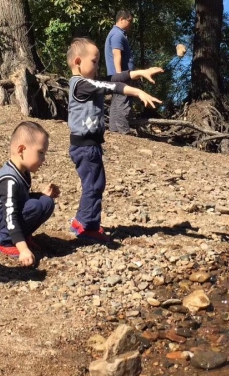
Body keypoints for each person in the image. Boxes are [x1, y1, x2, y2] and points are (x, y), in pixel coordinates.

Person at [67, 37, 162, 241]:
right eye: (94, 61)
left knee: (94, 183)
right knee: (94, 185)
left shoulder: (87, 83)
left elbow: (113, 78)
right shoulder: (80, 85)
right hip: (85, 147)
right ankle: (88, 227)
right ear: (77, 62)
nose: (97, 66)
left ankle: (82, 221)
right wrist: (136, 91)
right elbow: (112, 86)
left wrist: (139, 73)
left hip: (89, 145)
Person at [0, 121, 60, 267]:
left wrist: (42, 195)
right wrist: (23, 249)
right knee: (34, 206)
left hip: (5, 213)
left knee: (46, 202)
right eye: (40, 152)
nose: (43, 159)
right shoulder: (9, 179)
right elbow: (10, 214)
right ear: (21, 150)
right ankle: (0, 240)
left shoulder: (23, 173)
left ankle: (20, 236)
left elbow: (20, 200)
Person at [104, 9, 135, 134]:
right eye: (129, 21)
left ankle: (114, 131)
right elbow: (117, 54)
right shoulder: (118, 34)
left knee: (117, 102)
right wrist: (120, 75)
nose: (130, 24)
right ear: (122, 19)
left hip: (116, 75)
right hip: (120, 75)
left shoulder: (115, 33)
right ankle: (124, 132)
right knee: (123, 102)